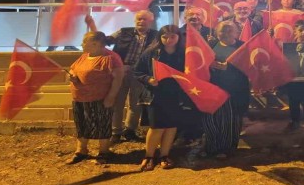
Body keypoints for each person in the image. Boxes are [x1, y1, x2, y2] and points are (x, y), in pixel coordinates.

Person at [86, 10, 159, 143]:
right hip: (121, 71)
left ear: (151, 21)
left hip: (141, 73)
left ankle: (130, 130)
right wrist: (92, 25)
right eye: (139, 19)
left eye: (144, 19)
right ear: (135, 20)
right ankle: (116, 132)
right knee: (117, 102)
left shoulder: (156, 36)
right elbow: (103, 40)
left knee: (135, 104)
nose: (141, 21)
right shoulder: (123, 32)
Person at [134, 25, 197, 170]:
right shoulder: (151, 52)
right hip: (155, 95)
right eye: (165, 37)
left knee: (171, 127)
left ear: (179, 37)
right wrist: (148, 79)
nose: (169, 40)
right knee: (156, 127)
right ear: (159, 37)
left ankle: (164, 155)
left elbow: (191, 72)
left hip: (176, 95)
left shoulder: (184, 54)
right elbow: (137, 71)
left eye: (172, 36)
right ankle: (149, 156)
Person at [66, 31, 124, 164]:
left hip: (100, 98)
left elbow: (118, 79)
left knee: (102, 124)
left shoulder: (111, 58)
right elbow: (73, 69)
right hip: (80, 98)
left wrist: (111, 97)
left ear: (95, 44)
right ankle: (81, 150)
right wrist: (72, 76)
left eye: (84, 42)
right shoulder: (85, 56)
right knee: (82, 124)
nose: (82, 44)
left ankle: (104, 151)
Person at [204, 21, 250, 157]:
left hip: (235, 91)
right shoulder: (210, 45)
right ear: (217, 33)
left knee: (230, 121)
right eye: (222, 30)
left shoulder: (243, 47)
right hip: (213, 89)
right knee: (211, 120)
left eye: (230, 30)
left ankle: (226, 149)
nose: (226, 33)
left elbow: (248, 67)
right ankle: (211, 147)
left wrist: (228, 67)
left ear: (236, 32)